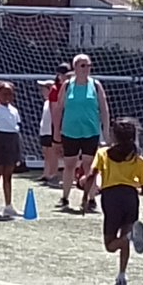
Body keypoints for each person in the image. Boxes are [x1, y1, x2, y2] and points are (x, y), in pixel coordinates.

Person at [90, 119, 143, 285]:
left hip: (111, 199)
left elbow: (91, 176)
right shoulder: (136, 158)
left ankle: (129, 238)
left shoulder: (103, 154)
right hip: (131, 198)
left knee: (110, 245)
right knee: (125, 239)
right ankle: (122, 277)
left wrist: (86, 198)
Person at [51, 54, 111, 211]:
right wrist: (56, 131)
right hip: (70, 131)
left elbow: (104, 109)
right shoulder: (67, 85)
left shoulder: (95, 85)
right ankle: (65, 198)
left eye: (89, 65)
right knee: (69, 164)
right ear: (76, 67)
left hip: (90, 132)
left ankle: (91, 199)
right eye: (83, 65)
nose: (87, 69)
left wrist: (106, 131)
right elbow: (58, 109)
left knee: (89, 166)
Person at [0, 82, 22, 219]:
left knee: (8, 176)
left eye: (10, 93)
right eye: (4, 93)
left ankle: (8, 206)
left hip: (11, 143)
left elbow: (16, 130)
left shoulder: (14, 111)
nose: (7, 96)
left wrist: (18, 149)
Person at [37, 63, 70, 187]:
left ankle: (67, 177)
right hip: (58, 125)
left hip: (70, 123)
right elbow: (55, 109)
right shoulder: (56, 89)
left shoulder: (73, 87)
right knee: (56, 151)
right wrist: (58, 127)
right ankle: (54, 175)